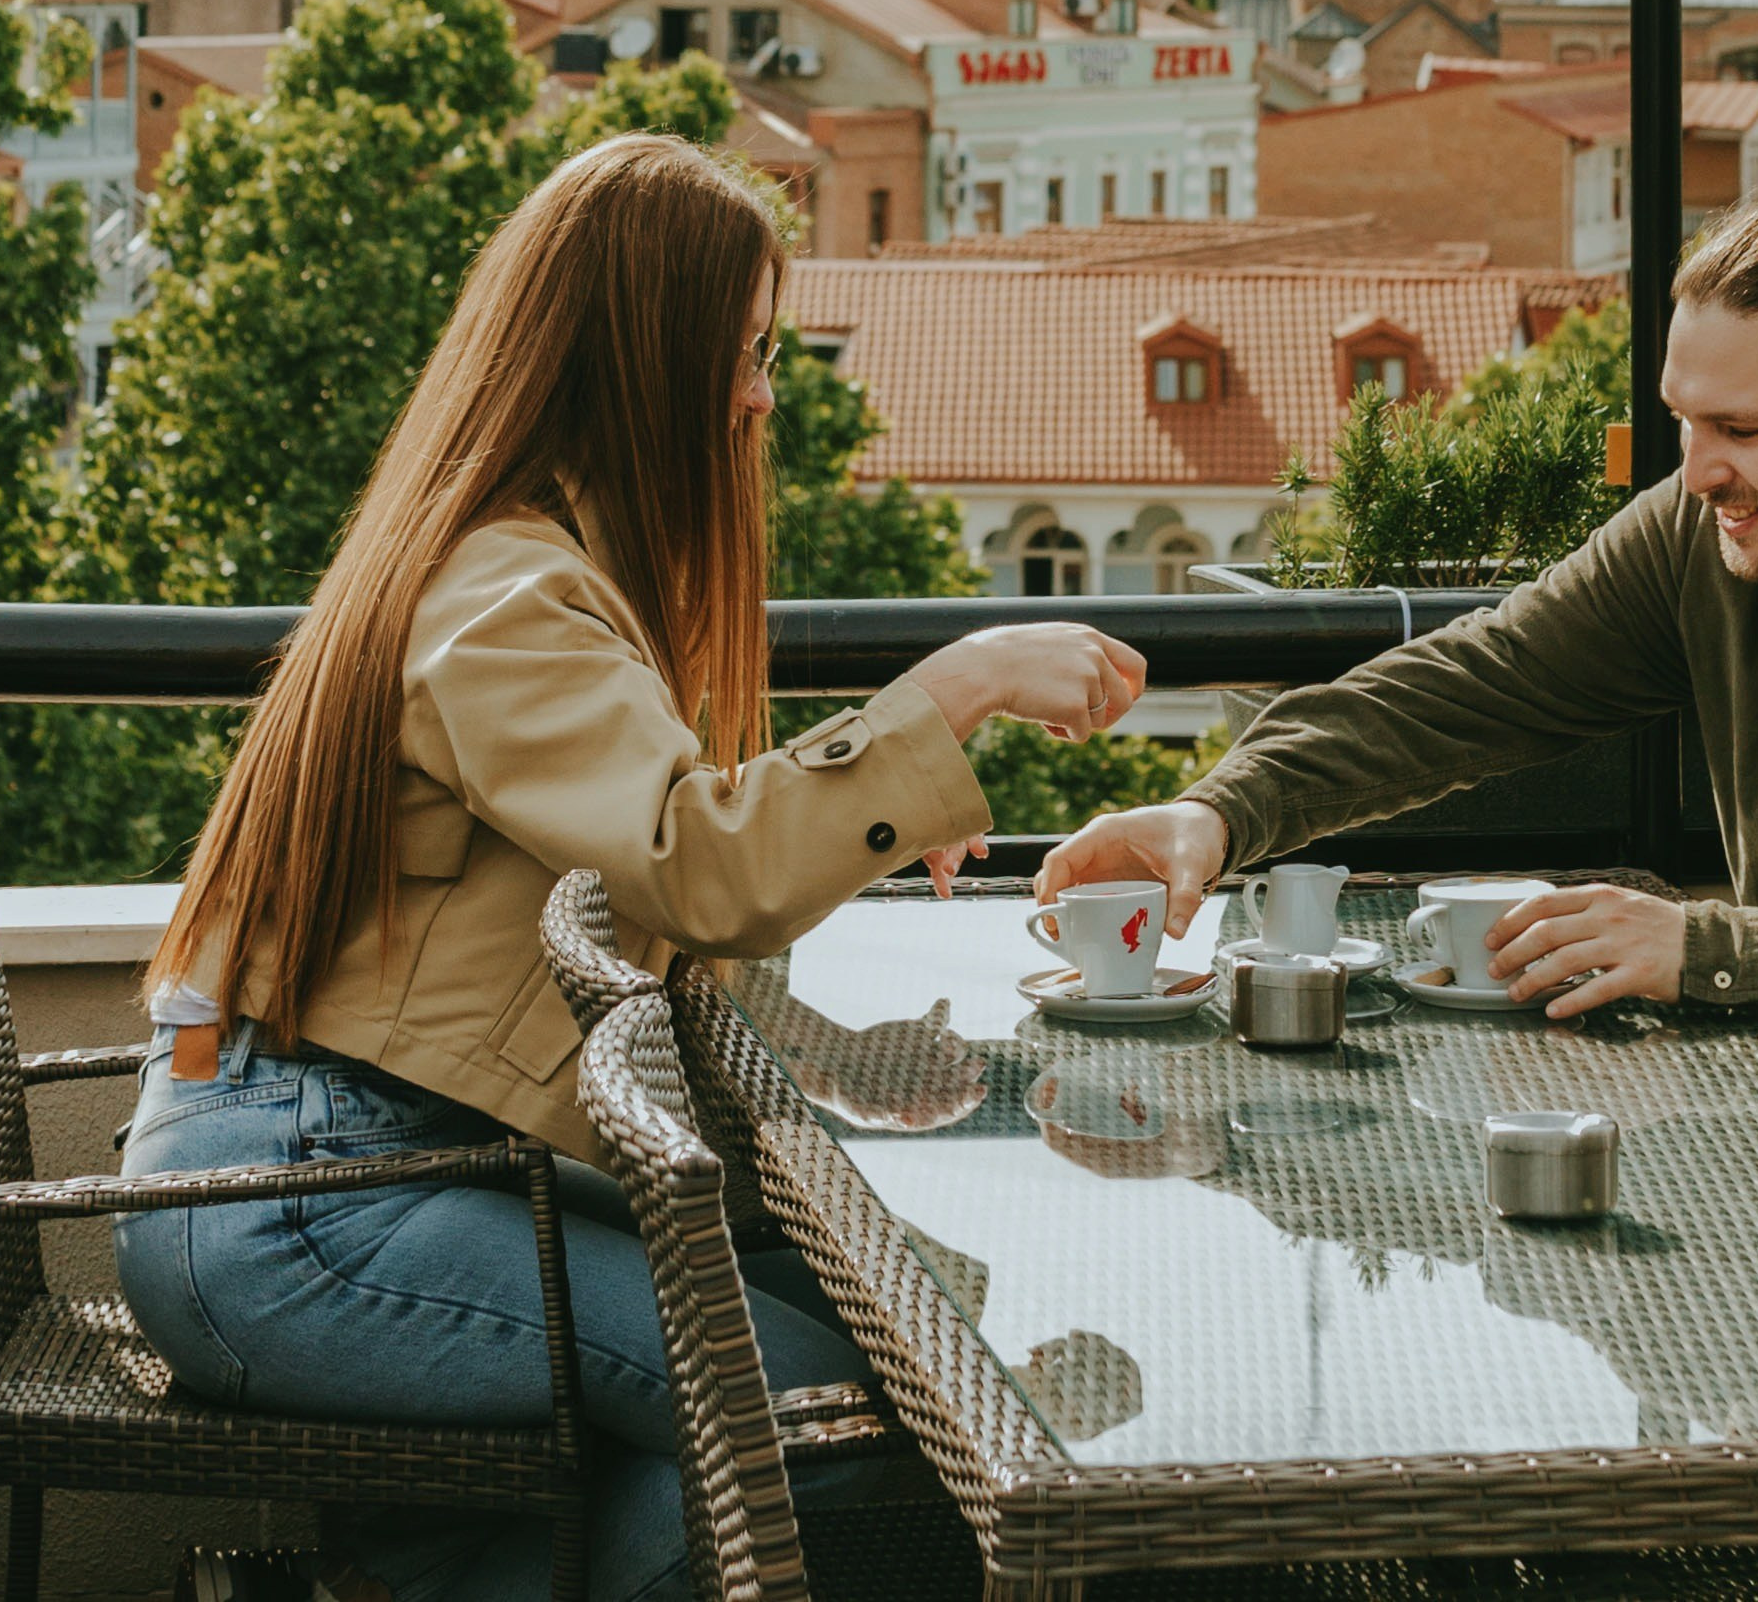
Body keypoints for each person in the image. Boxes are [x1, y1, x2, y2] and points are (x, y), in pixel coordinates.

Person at [115, 131, 1145, 1602]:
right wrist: (959, 685)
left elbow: (627, 903)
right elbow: (689, 862)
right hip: (304, 1206)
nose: (760, 395)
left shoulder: (528, 563)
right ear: (641, 357)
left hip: (383, 1166)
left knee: (895, 1333)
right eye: (740, 353)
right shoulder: (508, 593)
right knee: (815, 1416)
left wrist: (830, 1051)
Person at [1039, 184, 1758, 1040]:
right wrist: (1221, 812)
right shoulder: (1710, 524)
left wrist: (1714, 946)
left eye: (1744, 428)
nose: (1700, 469)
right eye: (1686, 422)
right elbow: (1475, 683)